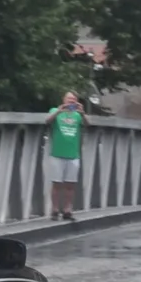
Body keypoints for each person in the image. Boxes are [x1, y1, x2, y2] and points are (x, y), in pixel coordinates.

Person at [47, 91, 85, 221]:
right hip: (57, 152)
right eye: (69, 99)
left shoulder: (77, 115)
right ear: (64, 100)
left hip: (73, 154)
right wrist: (59, 111)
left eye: (73, 99)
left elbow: (87, 125)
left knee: (70, 185)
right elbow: (48, 121)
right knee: (56, 183)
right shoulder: (55, 110)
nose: (71, 101)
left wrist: (82, 113)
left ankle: (68, 209)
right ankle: (55, 209)